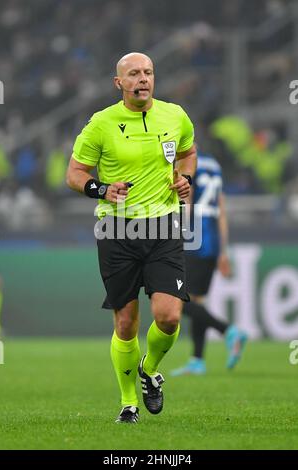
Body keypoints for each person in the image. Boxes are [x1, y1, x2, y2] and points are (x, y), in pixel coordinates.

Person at [66, 52, 196, 423]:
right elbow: (75, 173)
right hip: (117, 228)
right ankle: (128, 402)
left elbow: (188, 153)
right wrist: (100, 188)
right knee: (126, 323)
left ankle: (148, 370)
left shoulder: (175, 116)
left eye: (149, 72)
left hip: (162, 226)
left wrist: (186, 178)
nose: (143, 79)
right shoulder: (101, 124)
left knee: (169, 316)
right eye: (134, 74)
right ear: (118, 83)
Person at [171, 152, 248, 376]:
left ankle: (228, 330)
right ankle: (197, 360)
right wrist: (223, 251)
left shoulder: (187, 163)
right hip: (212, 241)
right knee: (196, 300)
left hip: (193, 240)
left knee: (175, 300)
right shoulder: (213, 164)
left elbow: (188, 198)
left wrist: (176, 236)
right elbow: (221, 210)